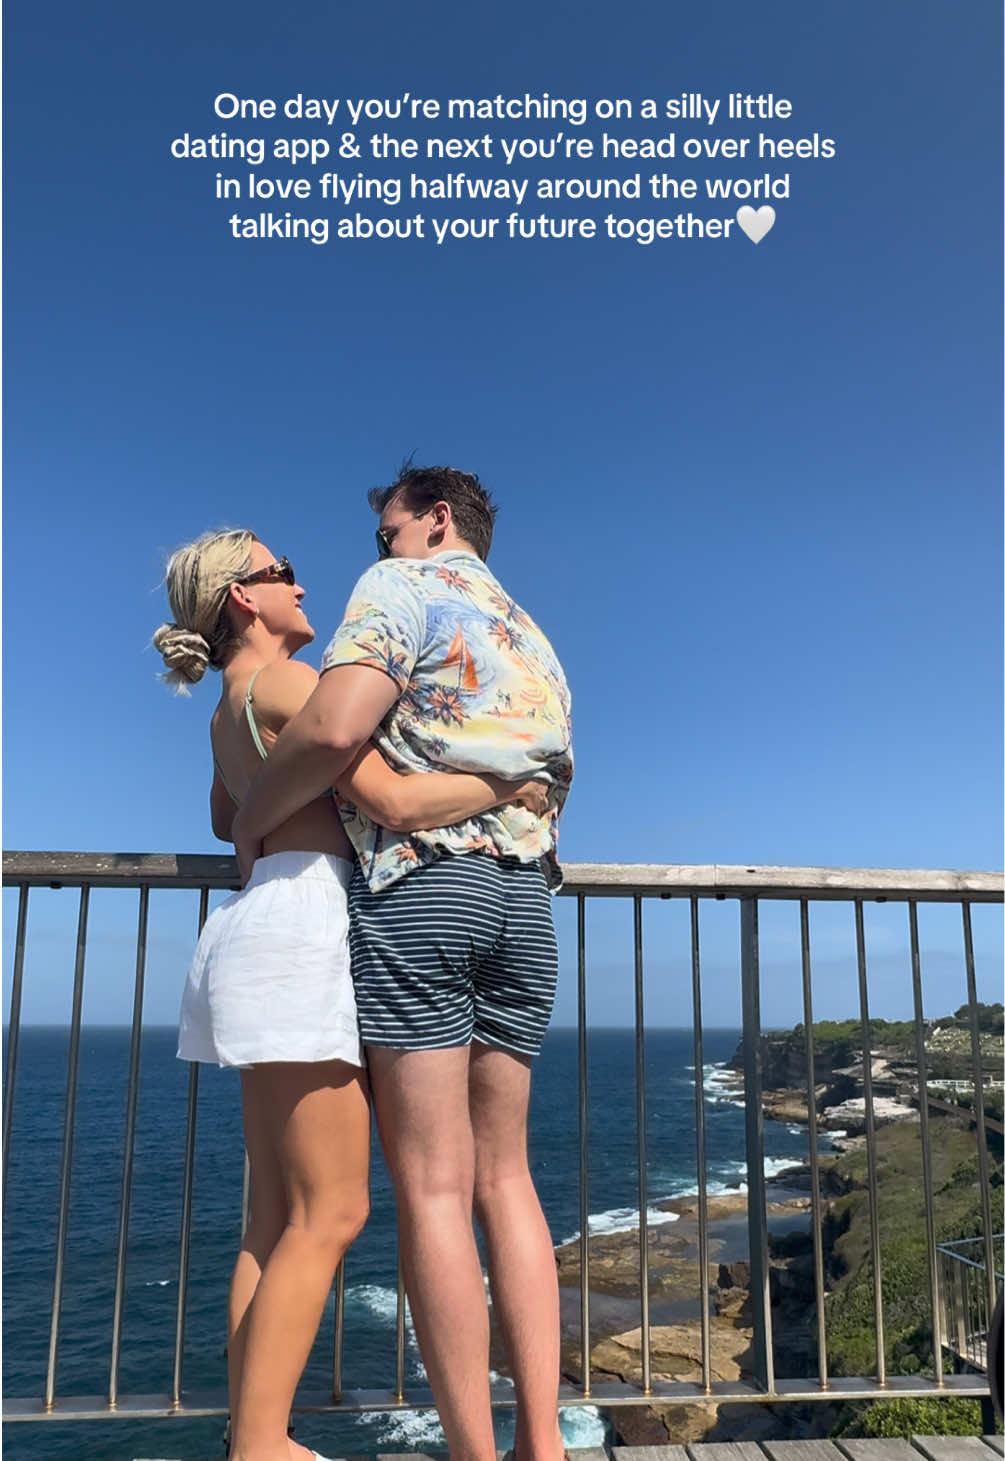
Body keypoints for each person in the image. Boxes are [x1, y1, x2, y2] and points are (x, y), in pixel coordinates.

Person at [154, 527, 551, 1461]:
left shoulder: (229, 708)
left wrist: (262, 811)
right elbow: (396, 801)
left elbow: (224, 815)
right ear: (244, 597)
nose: (301, 586)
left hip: (254, 925)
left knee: (272, 1219)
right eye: (283, 573)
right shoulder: (292, 684)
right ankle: (261, 1446)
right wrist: (508, 785)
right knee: (333, 1210)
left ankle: (252, 1431)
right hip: (304, 927)